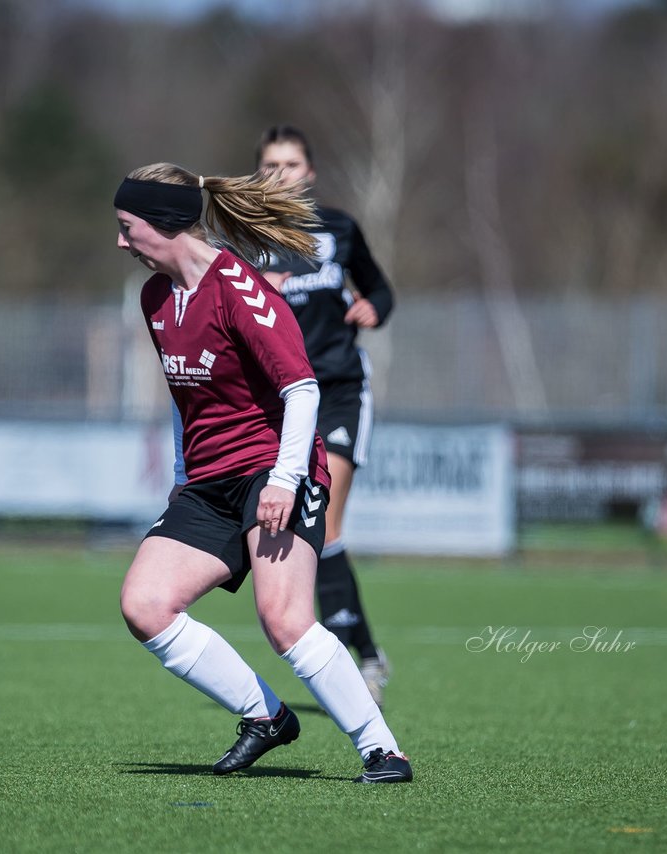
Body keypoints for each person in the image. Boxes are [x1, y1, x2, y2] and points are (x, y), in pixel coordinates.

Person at [114, 162, 412, 784]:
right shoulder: (155, 298)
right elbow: (181, 396)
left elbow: (302, 388)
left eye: (127, 226)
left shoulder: (238, 287)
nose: (120, 241)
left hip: (273, 469)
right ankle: (265, 717)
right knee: (144, 604)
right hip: (206, 481)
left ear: (165, 224)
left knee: (284, 619)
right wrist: (180, 472)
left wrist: (282, 480)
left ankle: (383, 751)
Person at [254, 125, 395, 705]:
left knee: (327, 524)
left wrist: (372, 308)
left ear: (309, 173)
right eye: (269, 164)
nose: (280, 173)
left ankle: (348, 662)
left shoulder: (338, 228)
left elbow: (381, 290)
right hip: (280, 399)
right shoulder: (246, 237)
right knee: (298, 531)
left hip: (336, 391)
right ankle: (368, 652)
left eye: (290, 164)